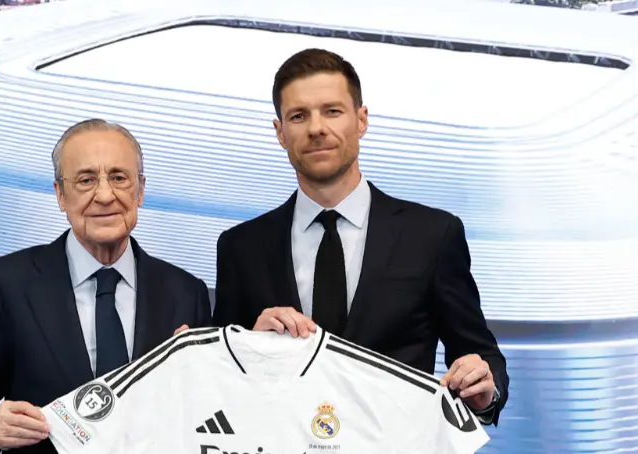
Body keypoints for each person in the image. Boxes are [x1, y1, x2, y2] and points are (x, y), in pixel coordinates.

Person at [212, 48, 509, 425]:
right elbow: (217, 380)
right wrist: (250, 347)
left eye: (332, 111)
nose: (316, 128)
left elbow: (479, 354)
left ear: (361, 119)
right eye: (299, 115)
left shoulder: (432, 235)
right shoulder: (241, 247)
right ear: (280, 132)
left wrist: (484, 391)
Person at [0, 119, 213, 453]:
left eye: (119, 178)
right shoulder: (6, 284)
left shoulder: (187, 293)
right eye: (86, 180)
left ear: (140, 190)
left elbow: (208, 409)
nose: (105, 196)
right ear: (60, 195)